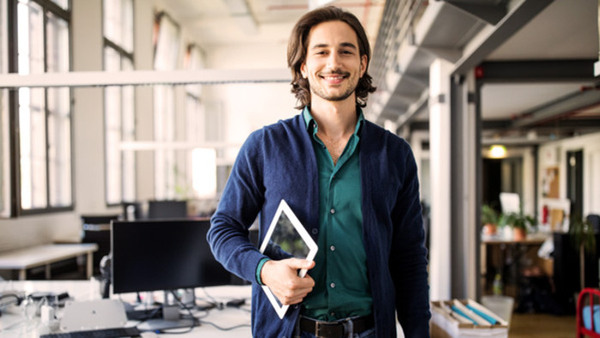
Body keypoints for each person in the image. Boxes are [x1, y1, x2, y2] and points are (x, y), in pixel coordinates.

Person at [208, 5, 430, 338]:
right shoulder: (265, 147)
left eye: (346, 51)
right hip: (290, 331)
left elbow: (409, 258)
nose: (334, 63)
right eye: (321, 52)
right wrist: (265, 270)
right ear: (303, 65)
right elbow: (222, 230)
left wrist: (418, 333)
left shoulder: (395, 154)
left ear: (363, 63)